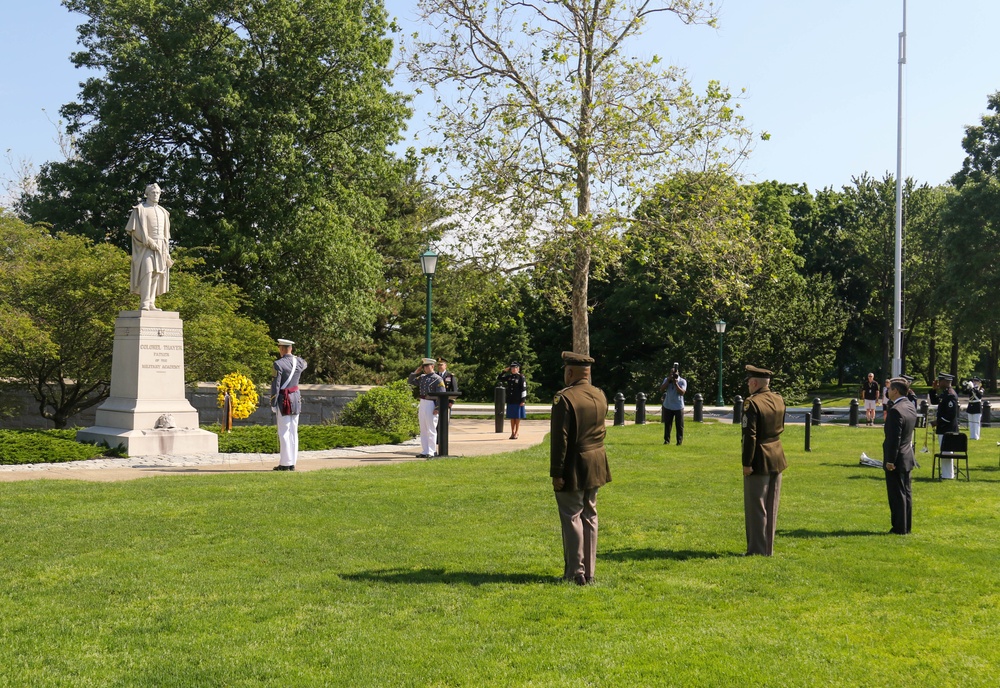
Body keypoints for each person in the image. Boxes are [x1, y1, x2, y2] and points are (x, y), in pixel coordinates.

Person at [550, 351, 610, 585]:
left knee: (571, 514)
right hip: (597, 460)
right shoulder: (600, 395)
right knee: (590, 515)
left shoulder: (565, 398)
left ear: (571, 372)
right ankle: (590, 572)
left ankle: (576, 572)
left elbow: (560, 440)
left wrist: (557, 472)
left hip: (575, 462)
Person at [741, 365, 787, 556]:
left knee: (757, 507)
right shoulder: (778, 399)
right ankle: (768, 548)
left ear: (754, 383)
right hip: (777, 454)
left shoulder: (752, 403)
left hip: (759, 457)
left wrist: (747, 463)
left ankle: (757, 550)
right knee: (771, 506)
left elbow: (750, 436)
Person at [126, 183, 174, 311]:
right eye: (153, 193)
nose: (156, 195)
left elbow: (166, 235)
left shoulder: (163, 212)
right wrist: (148, 241)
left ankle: (151, 302)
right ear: (147, 194)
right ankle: (145, 302)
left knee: (156, 274)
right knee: (147, 272)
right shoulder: (140, 209)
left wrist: (167, 252)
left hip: (161, 247)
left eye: (158, 193)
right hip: (145, 247)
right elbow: (134, 230)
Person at [883, 377, 917, 534]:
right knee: (906, 493)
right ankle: (906, 526)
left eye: (890, 389)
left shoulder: (896, 410)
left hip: (897, 458)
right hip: (907, 455)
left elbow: (893, 439)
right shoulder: (909, 406)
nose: (888, 391)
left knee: (897, 495)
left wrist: (890, 460)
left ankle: (899, 527)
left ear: (895, 390)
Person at [270, 338, 307, 471]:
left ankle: (285, 463)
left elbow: (276, 385)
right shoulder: (300, 362)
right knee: (293, 431)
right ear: (290, 349)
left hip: (283, 399)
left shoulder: (278, 364)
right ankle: (292, 462)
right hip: (295, 398)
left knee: (284, 431)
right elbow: (305, 364)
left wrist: (273, 402)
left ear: (281, 349)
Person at [408, 358, 446, 458]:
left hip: (431, 403)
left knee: (431, 428)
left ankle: (432, 451)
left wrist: (437, 407)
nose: (425, 368)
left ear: (432, 366)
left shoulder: (437, 379)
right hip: (423, 402)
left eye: (427, 366)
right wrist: (416, 372)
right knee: (423, 428)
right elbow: (410, 381)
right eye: (424, 366)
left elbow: (441, 394)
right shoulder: (422, 377)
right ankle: (425, 450)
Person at [930, 372, 960, 479]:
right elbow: (935, 401)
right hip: (944, 428)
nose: (938, 382)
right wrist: (934, 390)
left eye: (940, 381)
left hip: (947, 428)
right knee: (945, 451)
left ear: (946, 382)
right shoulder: (945, 393)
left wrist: (937, 422)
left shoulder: (950, 395)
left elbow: (950, 415)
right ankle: (946, 474)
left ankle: (948, 475)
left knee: (947, 452)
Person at [658, 362, 687, 445]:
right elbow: (662, 389)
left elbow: (682, 392)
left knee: (679, 425)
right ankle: (666, 441)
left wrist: (676, 383)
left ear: (678, 374)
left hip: (678, 406)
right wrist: (668, 380)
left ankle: (679, 442)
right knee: (667, 425)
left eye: (674, 373)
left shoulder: (682, 381)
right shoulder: (666, 380)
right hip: (668, 405)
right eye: (671, 373)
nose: (673, 375)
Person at [497, 361, 527, 439]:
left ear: (518, 369)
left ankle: (517, 432)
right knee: (512, 417)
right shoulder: (509, 377)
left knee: (517, 417)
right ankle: (512, 432)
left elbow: (523, 389)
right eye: (512, 368)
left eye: (515, 368)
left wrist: (523, 400)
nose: (514, 369)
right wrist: (504, 371)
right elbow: (499, 378)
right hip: (511, 399)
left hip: (518, 400)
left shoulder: (521, 377)